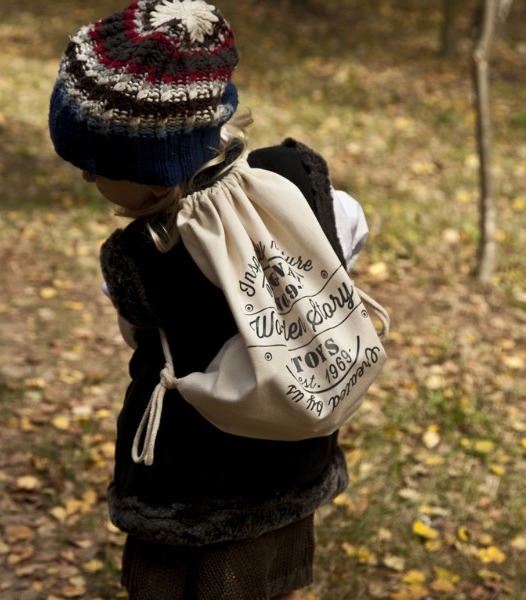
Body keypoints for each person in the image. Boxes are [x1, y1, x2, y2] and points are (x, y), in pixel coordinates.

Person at [48, 1, 370, 598]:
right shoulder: (303, 181)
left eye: (93, 167)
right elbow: (345, 244)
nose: (89, 180)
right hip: (293, 460)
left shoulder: (141, 258)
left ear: (150, 172)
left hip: (192, 492)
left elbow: (137, 335)